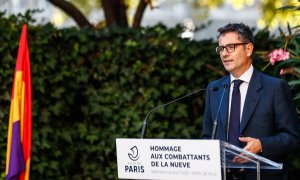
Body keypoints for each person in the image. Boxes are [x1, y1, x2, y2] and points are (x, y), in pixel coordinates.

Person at [202, 23, 300, 180]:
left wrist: (262, 144)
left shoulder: (275, 88)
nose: (224, 54)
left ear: (249, 49)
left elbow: (293, 138)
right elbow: (207, 137)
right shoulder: (214, 89)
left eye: (231, 47)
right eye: (221, 48)